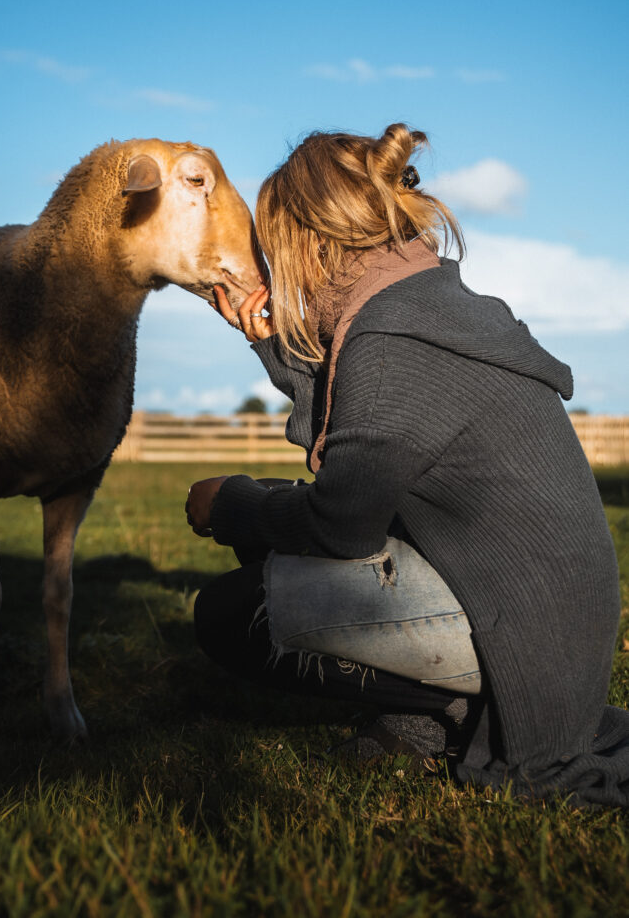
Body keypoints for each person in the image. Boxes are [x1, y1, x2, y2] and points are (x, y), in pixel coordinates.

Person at [187, 123, 628, 806]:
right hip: (543, 611)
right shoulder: (423, 306)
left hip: (528, 642)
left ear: (308, 238)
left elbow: (341, 530)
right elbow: (353, 452)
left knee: (228, 612)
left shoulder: (389, 342)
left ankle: (448, 715)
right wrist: (275, 349)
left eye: (277, 248)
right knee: (267, 526)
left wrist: (227, 504)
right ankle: (429, 710)